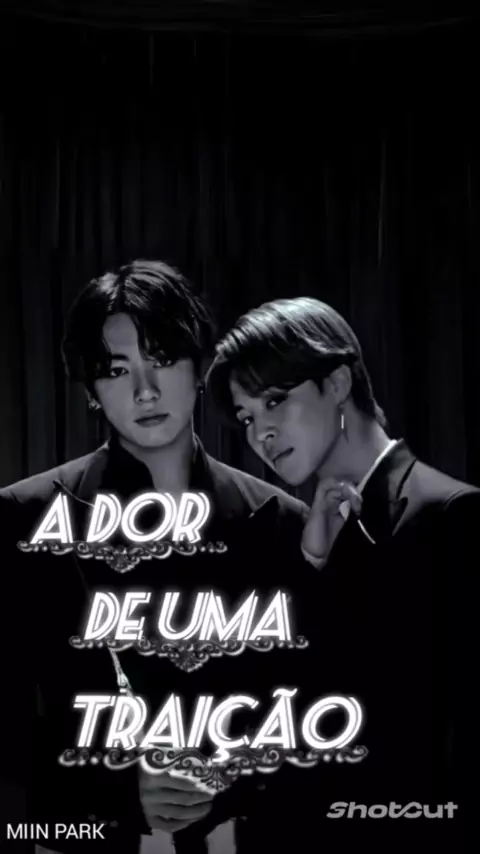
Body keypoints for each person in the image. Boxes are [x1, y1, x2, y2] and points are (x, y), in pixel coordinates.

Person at [0, 263, 316, 854]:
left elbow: (316, 713)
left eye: (163, 359)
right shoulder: (23, 517)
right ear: (90, 389)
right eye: (117, 370)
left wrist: (234, 782)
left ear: (200, 370)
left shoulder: (280, 524)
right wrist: (116, 790)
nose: (145, 391)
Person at [206, 296, 478, 851]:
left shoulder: (450, 515)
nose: (260, 434)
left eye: (275, 400)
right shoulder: (306, 536)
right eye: (247, 417)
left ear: (337, 383)